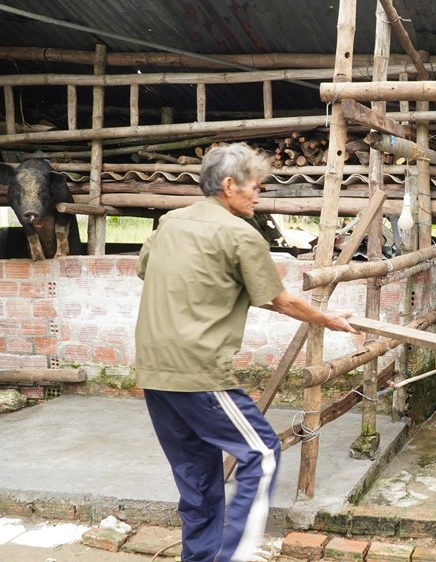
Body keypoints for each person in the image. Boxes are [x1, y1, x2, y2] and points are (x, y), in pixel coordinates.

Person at [134, 142, 360, 562]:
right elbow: (279, 300)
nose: (258, 194)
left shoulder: (169, 223)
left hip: (153, 370)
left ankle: (200, 557)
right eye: (254, 186)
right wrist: (326, 318)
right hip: (198, 370)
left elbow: (144, 268)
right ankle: (231, 555)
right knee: (261, 452)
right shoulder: (240, 234)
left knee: (197, 473)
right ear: (228, 185)